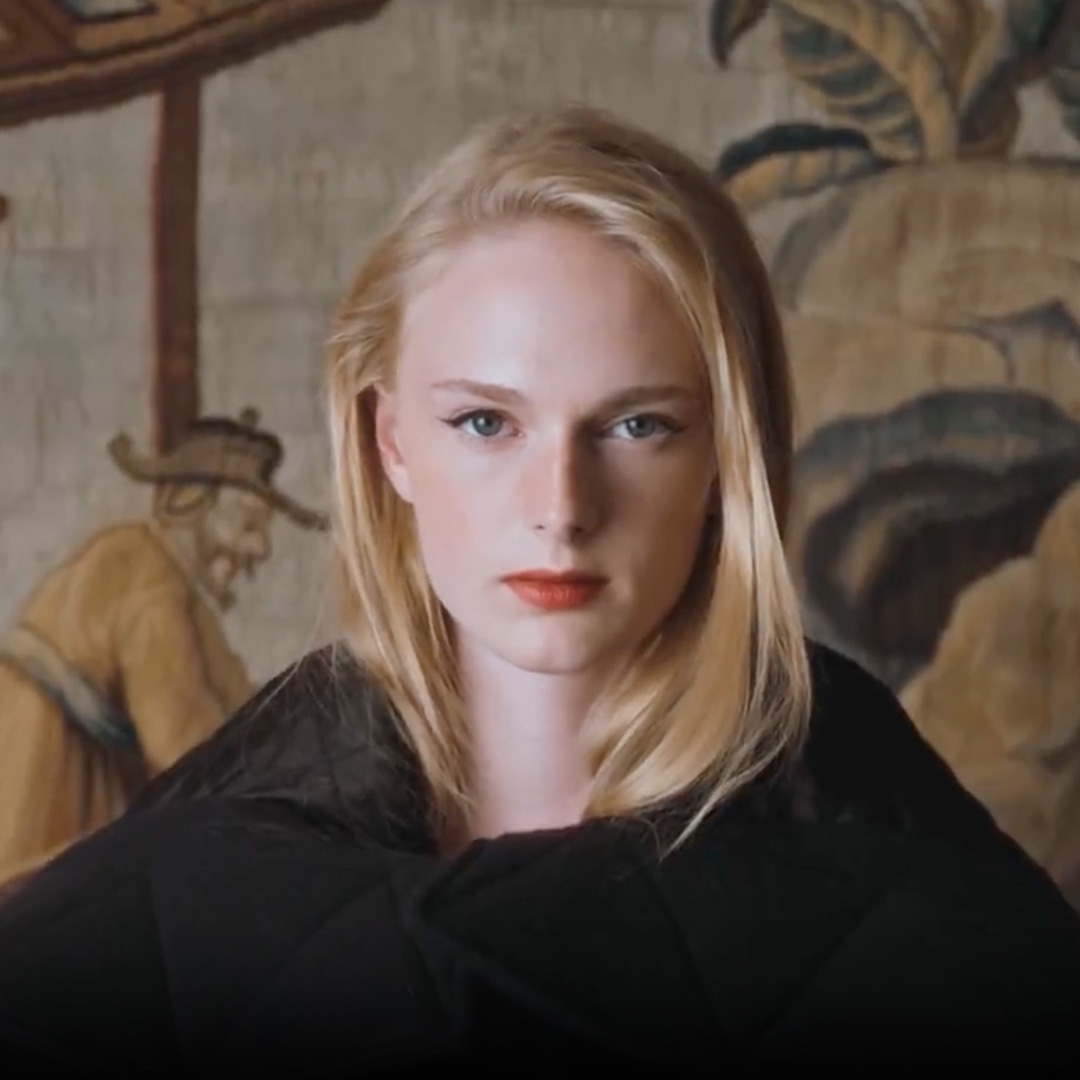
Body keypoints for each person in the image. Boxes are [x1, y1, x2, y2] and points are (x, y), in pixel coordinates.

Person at [0, 104, 1078, 1073]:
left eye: (636, 425)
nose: (561, 506)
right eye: (485, 422)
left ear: (725, 456)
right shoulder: (213, 850)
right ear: (393, 444)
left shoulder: (886, 862)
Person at [0, 408, 327, 898]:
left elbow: (224, 691)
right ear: (194, 504)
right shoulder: (149, 586)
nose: (259, 549)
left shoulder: (154, 565)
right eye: (248, 525)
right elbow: (187, 750)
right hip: (44, 784)